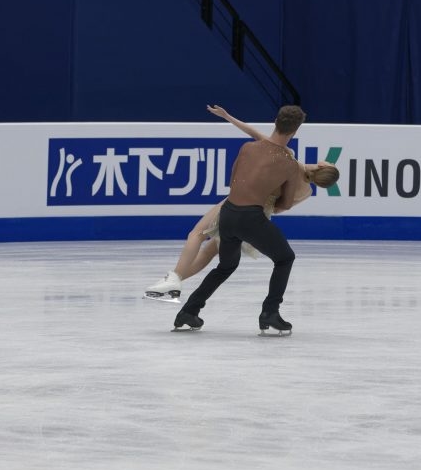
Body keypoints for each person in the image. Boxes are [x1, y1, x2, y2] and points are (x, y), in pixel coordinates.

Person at [145, 105, 338, 304]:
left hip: (239, 202)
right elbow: (282, 207)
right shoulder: (305, 191)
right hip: (260, 216)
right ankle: (172, 284)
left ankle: (174, 278)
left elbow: (255, 135)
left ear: (323, 165)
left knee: (197, 234)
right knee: (210, 253)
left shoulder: (288, 158)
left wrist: (228, 116)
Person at [169, 104, 315, 336]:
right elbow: (285, 204)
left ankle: (189, 311)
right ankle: (270, 312)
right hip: (251, 218)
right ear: (295, 132)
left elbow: (234, 179)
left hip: (228, 213)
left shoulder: (248, 147)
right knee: (285, 258)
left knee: (226, 265)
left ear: (275, 122)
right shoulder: (288, 163)